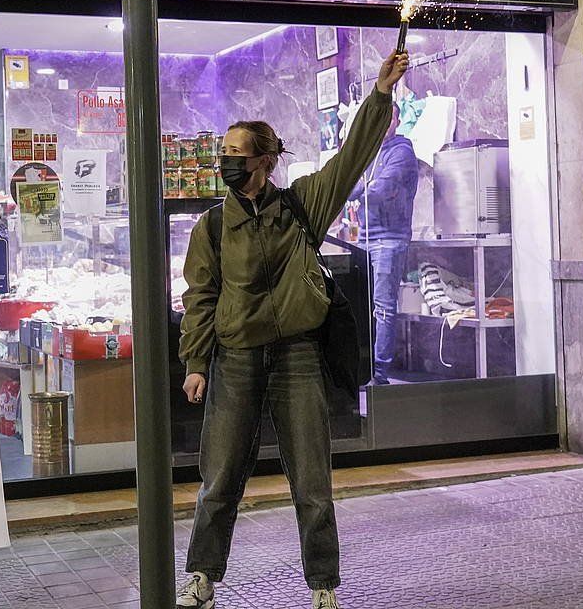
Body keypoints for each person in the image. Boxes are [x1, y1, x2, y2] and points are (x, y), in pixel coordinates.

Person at [175, 52, 410, 609]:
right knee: (219, 481)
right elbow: (200, 299)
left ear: (264, 161)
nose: (226, 162)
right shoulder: (211, 226)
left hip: (298, 355)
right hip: (234, 359)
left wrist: (379, 94)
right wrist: (195, 363)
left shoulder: (302, 204)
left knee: (312, 482)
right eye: (224, 153)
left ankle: (324, 585)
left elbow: (351, 159)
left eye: (236, 154)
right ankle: (203, 577)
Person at [349, 103, 420, 385]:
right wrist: (363, 186)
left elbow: (381, 190)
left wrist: (364, 187)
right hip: (365, 236)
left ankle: (379, 373)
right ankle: (363, 368)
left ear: (397, 119)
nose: (383, 122)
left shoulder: (402, 152)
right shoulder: (371, 153)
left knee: (383, 308)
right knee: (361, 305)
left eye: (387, 116)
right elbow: (350, 185)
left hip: (390, 238)